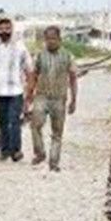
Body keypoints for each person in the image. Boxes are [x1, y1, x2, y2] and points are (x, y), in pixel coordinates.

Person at [0, 18, 34, 161]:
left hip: (16, 91)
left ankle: (16, 150)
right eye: (1, 29)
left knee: (14, 120)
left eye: (7, 29)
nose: (4, 32)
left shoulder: (20, 47)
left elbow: (29, 69)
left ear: (12, 30)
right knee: (2, 121)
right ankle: (5, 150)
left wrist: (30, 90)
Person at [26, 26, 78, 172]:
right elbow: (33, 76)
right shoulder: (39, 56)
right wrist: (29, 95)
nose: (51, 42)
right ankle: (40, 153)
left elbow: (73, 78)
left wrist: (74, 99)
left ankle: (54, 162)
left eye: (53, 38)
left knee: (57, 133)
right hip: (41, 96)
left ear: (59, 39)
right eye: (48, 39)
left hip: (59, 98)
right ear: (45, 40)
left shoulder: (68, 56)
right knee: (35, 126)